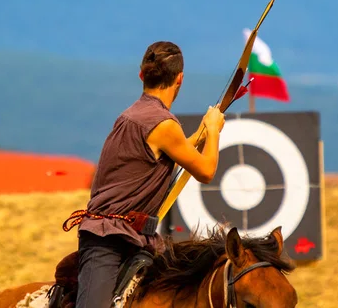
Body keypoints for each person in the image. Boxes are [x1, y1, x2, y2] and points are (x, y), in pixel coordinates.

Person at [73, 41, 226, 308]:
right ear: (180, 79)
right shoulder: (162, 124)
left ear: (142, 75)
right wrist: (213, 130)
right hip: (108, 243)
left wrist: (200, 133)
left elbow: (169, 153)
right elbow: (206, 171)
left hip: (138, 242)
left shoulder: (134, 116)